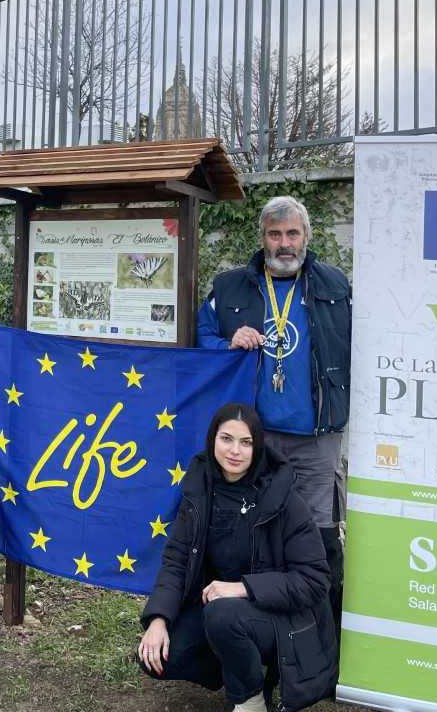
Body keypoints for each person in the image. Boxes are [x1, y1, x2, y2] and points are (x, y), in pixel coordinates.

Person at [195, 195, 350, 612]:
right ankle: (259, 628)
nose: (284, 243)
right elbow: (198, 339)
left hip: (317, 439)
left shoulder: (336, 286)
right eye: (275, 233)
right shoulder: (230, 286)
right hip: (252, 440)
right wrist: (228, 342)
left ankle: (322, 636)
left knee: (318, 536)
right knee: (254, 531)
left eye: (292, 233)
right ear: (262, 237)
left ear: (307, 237)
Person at [137, 403, 337, 712]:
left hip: (280, 618)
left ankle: (250, 699)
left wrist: (243, 587)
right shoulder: (200, 489)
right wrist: (158, 619)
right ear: (212, 439)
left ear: (258, 447)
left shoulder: (283, 498)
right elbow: (176, 559)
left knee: (222, 615)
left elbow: (314, 581)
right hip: (222, 613)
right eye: (226, 439)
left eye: (246, 442)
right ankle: (242, 670)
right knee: (159, 657)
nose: (235, 451)